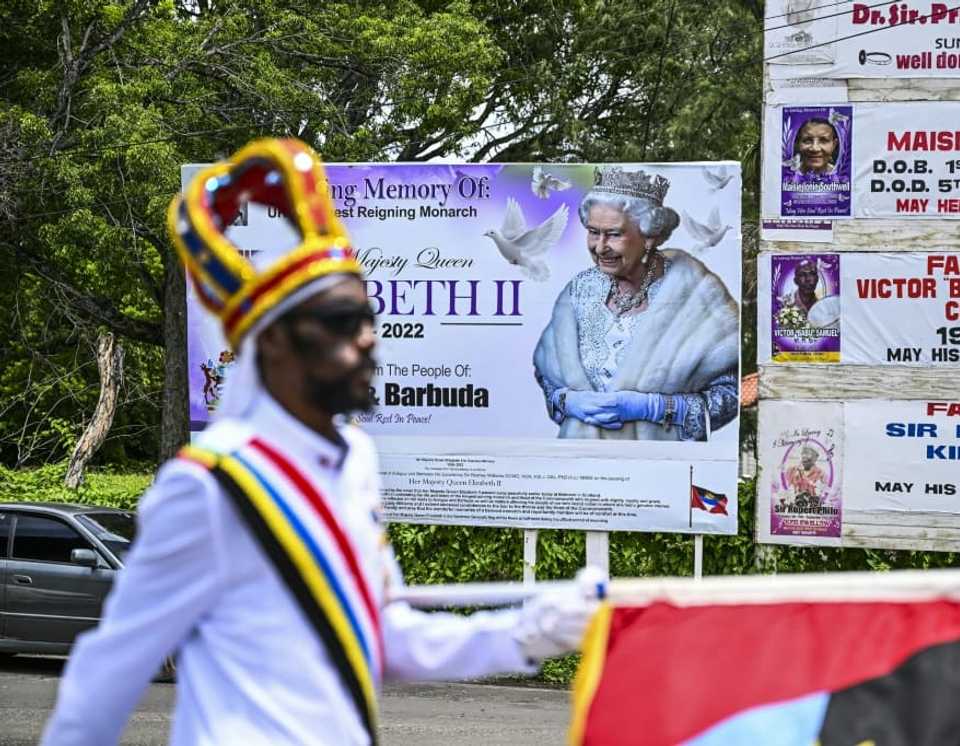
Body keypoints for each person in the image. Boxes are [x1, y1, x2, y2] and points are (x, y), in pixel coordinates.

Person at [42, 139, 600, 746]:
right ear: (274, 344)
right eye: (339, 323)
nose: (366, 341)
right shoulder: (207, 487)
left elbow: (383, 638)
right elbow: (110, 672)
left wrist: (534, 631)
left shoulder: (356, 462)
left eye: (367, 320)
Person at [533, 167, 739, 441]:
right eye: (594, 232)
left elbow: (730, 396)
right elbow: (547, 374)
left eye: (614, 234)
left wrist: (655, 408)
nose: (599, 246)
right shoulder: (579, 291)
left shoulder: (695, 292)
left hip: (659, 469)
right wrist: (567, 401)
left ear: (649, 237)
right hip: (580, 468)